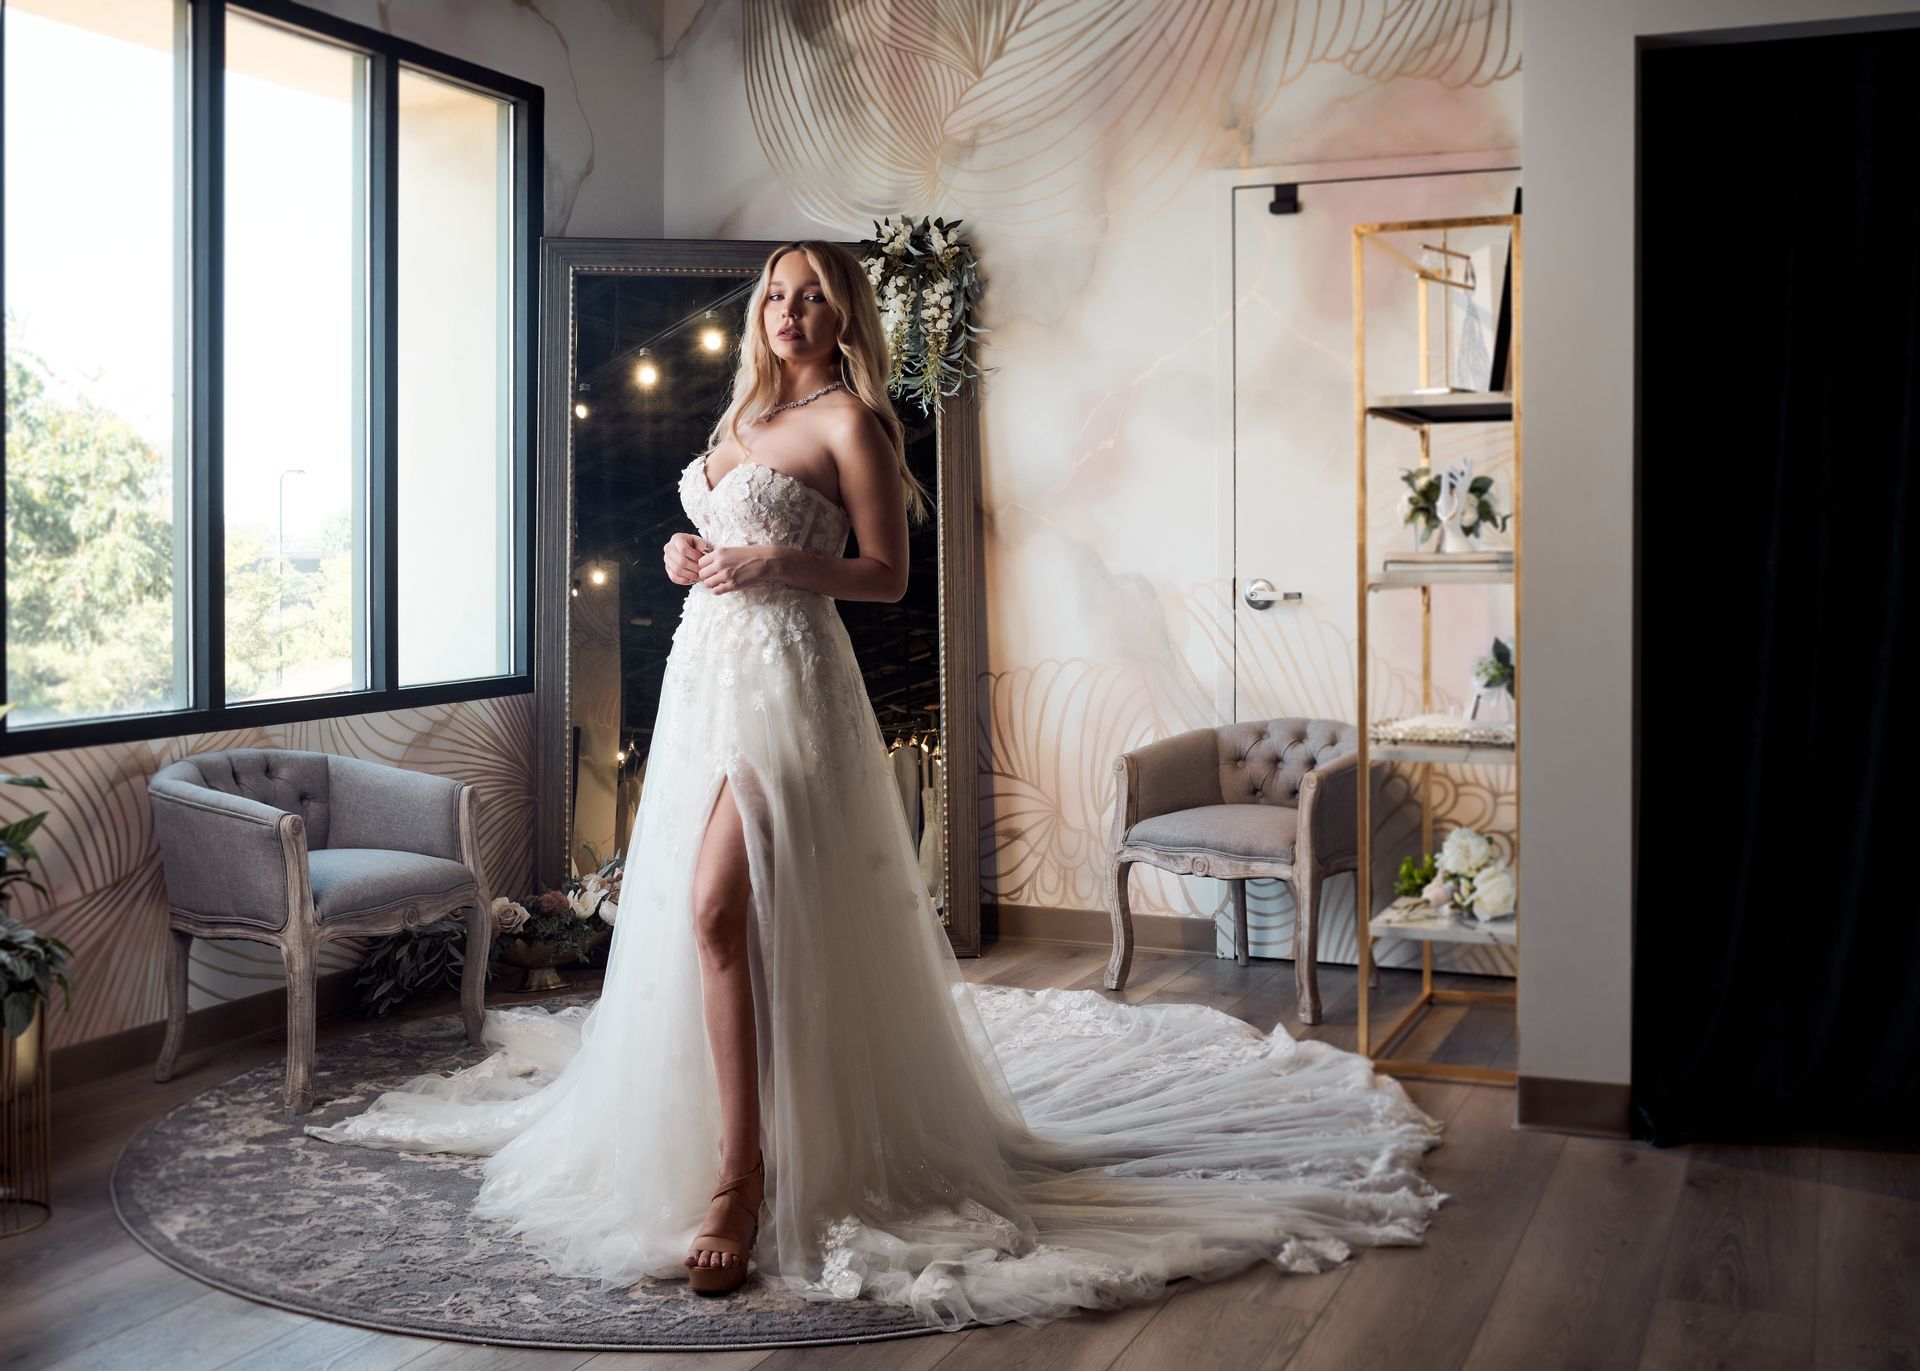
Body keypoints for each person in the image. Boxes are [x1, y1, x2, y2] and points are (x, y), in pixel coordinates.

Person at [305, 239, 1444, 1329]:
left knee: (718, 908)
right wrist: (685, 555)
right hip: (706, 678)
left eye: (809, 295)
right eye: (773, 295)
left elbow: (890, 577)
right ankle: (741, 1132)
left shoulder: (852, 419)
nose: (787, 312)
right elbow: (711, 532)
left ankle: (742, 1179)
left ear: (844, 312)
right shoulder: (742, 418)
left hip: (792, 686)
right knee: (702, 919)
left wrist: (770, 561)